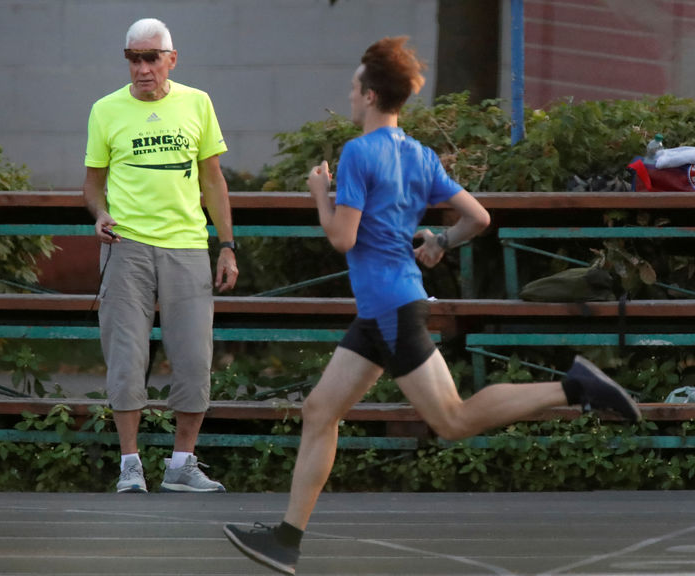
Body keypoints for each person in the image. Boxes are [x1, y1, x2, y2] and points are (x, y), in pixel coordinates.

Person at [223, 36, 640, 574]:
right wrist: (440, 243)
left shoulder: (358, 154)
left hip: (392, 309)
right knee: (319, 411)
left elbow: (343, 238)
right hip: (383, 310)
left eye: (353, 88)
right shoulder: (418, 155)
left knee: (453, 419)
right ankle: (286, 538)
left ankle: (574, 386)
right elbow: (478, 218)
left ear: (371, 95)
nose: (350, 97)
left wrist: (319, 194)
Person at [83, 17, 238, 494]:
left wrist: (227, 245)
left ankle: (181, 464)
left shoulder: (197, 102)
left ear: (172, 59)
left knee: (194, 357)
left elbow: (213, 179)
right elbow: (92, 184)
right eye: (134, 59)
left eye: (152, 58)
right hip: (126, 247)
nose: (143, 68)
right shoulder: (105, 110)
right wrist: (100, 213)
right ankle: (130, 465)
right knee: (126, 356)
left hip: (188, 245)